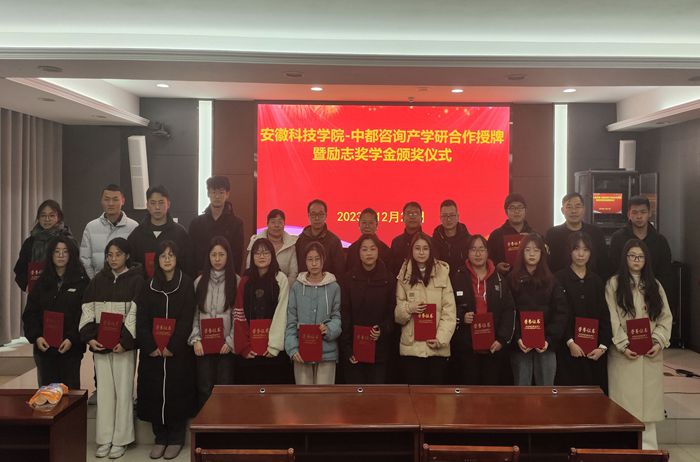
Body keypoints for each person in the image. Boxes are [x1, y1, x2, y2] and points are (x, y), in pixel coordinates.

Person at [79, 238, 144, 459]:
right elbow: (87, 310)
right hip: (101, 346)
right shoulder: (98, 281)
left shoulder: (137, 280)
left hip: (123, 347)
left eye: (118, 254)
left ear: (127, 255)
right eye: (109, 255)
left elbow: (135, 314)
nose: (113, 259)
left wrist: (125, 341)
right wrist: (90, 338)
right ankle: (105, 438)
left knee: (124, 392)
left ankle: (121, 439)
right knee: (105, 393)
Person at [606, 239, 672, 450]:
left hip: (650, 353)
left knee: (648, 409)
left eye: (640, 256)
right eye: (632, 256)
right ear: (624, 258)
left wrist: (658, 341)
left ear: (646, 260)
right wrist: (624, 345)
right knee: (624, 407)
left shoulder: (655, 285)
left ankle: (649, 451)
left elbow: (665, 318)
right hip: (624, 355)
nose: (636, 260)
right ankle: (622, 451)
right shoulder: (614, 284)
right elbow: (612, 319)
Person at [136, 241, 196, 460]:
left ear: (177, 258)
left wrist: (172, 345)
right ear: (157, 260)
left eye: (171, 255)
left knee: (177, 391)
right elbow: (142, 319)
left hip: (177, 353)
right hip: (153, 353)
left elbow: (187, 318)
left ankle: (176, 438)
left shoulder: (186, 284)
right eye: (163, 256)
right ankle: (160, 437)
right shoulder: (148, 285)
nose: (167, 259)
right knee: (153, 391)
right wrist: (151, 346)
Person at [22, 236, 89, 389]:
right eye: (57, 251)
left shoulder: (82, 282)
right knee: (47, 393)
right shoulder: (41, 282)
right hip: (45, 347)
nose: (61, 255)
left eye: (65, 251)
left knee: (70, 393)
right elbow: (30, 313)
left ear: (72, 255)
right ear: (50, 254)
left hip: (70, 348)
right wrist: (37, 336)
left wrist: (72, 338)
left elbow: (85, 315)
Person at [449, 234, 515, 385]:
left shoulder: (499, 278)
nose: (477, 254)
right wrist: (461, 316)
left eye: (481, 249)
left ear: (487, 252)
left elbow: (508, 310)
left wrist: (501, 340)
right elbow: (448, 305)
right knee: (469, 390)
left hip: (493, 346)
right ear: (467, 252)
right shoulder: (458, 276)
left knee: (490, 391)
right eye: (473, 249)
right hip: (466, 347)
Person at [394, 232, 456, 385]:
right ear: (411, 250)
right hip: (411, 348)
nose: (421, 252)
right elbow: (398, 316)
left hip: (436, 347)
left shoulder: (442, 273)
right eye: (417, 248)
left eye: (425, 248)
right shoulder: (404, 275)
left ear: (431, 250)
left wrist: (440, 339)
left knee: (435, 396)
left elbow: (449, 312)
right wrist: (409, 308)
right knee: (414, 395)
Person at [554, 232, 611, 392]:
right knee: (569, 397)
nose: (581, 254)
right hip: (568, 350)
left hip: (595, 351)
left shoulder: (597, 280)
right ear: (569, 251)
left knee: (595, 397)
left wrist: (602, 347)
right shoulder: (559, 278)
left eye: (585, 250)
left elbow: (604, 315)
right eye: (576, 249)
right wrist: (570, 342)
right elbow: (559, 314)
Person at [508, 234, 568, 386]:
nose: (532, 254)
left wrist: (549, 339)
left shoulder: (552, 280)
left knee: (546, 391)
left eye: (536, 250)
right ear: (521, 253)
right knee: (522, 390)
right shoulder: (512, 279)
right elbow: (508, 312)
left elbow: (561, 313)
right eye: (527, 250)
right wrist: (517, 338)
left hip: (546, 345)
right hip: (521, 346)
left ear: (542, 253)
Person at [188, 237, 238, 409]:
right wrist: (196, 339)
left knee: (225, 389)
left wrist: (230, 342)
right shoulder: (199, 282)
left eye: (221, 254)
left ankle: (224, 426)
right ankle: (205, 426)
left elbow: (238, 316)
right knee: (204, 389)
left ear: (228, 256)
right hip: (204, 346)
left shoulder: (236, 281)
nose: (217, 259)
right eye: (213, 254)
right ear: (208, 256)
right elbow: (194, 314)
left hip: (226, 347)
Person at [234, 238, 292, 384]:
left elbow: (282, 313)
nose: (261, 256)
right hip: (250, 351)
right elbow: (239, 313)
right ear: (252, 256)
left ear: (272, 255)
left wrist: (274, 346)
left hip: (273, 352)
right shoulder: (245, 280)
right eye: (257, 253)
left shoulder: (280, 278)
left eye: (266, 252)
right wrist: (244, 347)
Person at [340, 234, 396, 384]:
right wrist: (347, 348)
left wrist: (382, 330)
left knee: (376, 395)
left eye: (372, 249)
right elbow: (344, 314)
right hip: (354, 350)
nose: (369, 253)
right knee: (355, 395)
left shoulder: (389, 279)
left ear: (378, 251)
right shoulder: (348, 279)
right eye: (364, 249)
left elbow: (392, 312)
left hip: (380, 350)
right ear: (358, 253)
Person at [285, 242, 341, 385]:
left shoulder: (334, 287)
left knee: (324, 397)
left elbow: (337, 317)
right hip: (302, 352)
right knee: (304, 397)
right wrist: (292, 348)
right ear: (305, 261)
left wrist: (329, 329)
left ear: (323, 260)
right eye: (310, 259)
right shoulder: (297, 287)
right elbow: (291, 320)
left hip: (327, 353)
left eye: (317, 259)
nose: (314, 263)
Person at [609, 196, 672, 293]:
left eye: (643, 212)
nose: (639, 216)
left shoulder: (660, 241)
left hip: (653, 293)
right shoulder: (618, 238)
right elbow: (613, 269)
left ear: (649, 213)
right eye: (634, 212)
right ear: (628, 214)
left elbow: (665, 273)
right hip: (624, 292)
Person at [128, 185, 193, 277]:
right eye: (153, 203)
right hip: (143, 285)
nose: (157, 207)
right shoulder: (137, 234)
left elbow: (188, 266)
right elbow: (131, 266)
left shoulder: (180, 233)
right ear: (147, 205)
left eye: (161, 202)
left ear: (168, 204)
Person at [80, 184, 138, 279]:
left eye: (115, 199)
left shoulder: (133, 226)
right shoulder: (91, 227)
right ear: (101, 201)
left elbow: (136, 259)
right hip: (97, 282)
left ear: (123, 201)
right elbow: (85, 260)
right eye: (107, 199)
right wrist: (95, 281)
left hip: (127, 282)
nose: (110, 203)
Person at [14, 199, 74, 292]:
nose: (47, 219)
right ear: (38, 218)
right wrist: (27, 285)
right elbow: (20, 268)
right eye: (43, 216)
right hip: (36, 293)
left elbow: (75, 267)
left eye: (51, 215)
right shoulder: (30, 242)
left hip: (62, 292)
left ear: (59, 217)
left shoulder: (67, 240)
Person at [189, 176, 244, 274]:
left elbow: (237, 256)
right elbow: (191, 254)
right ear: (208, 194)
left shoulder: (236, 224)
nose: (217, 196)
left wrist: (233, 278)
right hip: (202, 276)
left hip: (227, 276)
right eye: (214, 192)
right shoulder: (196, 223)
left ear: (227, 194)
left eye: (221, 192)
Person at [545, 192, 609, 277]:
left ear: (584, 209)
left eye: (578, 206)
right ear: (562, 210)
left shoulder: (596, 233)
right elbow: (548, 263)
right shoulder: (553, 234)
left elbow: (603, 263)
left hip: (591, 281)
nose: (574, 211)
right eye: (569, 207)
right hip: (559, 282)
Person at [245, 209, 298, 288]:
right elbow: (249, 267)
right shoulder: (256, 242)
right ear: (267, 224)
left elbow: (293, 273)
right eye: (273, 222)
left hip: (284, 288)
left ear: (284, 224)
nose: (276, 225)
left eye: (280, 222)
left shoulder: (291, 244)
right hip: (258, 287)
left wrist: (283, 289)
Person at [295, 199, 346, 277]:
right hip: (303, 282)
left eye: (321, 214)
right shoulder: (300, 240)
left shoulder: (334, 241)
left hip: (328, 283)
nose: (317, 218)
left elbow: (340, 271)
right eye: (313, 214)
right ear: (308, 216)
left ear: (326, 216)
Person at [487, 193, 535, 275]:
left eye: (520, 207)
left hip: (531, 279)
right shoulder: (496, 235)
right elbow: (487, 260)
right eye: (512, 208)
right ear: (506, 211)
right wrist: (496, 267)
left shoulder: (534, 235)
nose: (516, 211)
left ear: (525, 210)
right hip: (504, 279)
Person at [345, 208, 392, 272]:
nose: (367, 226)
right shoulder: (352, 249)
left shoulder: (385, 250)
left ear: (377, 225)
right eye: (364, 222)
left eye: (371, 223)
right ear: (359, 224)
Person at [432, 199, 470, 275]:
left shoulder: (469, 241)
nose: (448, 219)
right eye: (445, 216)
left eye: (452, 215)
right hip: (441, 281)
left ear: (458, 216)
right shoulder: (433, 242)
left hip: (463, 280)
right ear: (440, 218)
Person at [390, 201, 423, 276]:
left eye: (416, 213)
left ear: (421, 218)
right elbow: (392, 270)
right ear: (403, 218)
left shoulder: (429, 242)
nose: (412, 217)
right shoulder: (396, 243)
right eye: (409, 213)